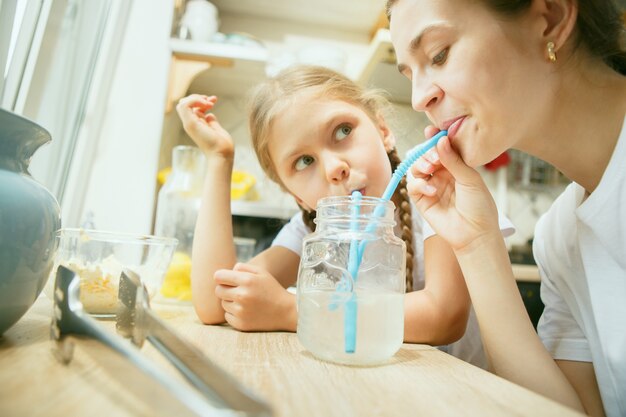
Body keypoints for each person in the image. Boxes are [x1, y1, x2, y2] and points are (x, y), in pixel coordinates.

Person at [176, 65, 514, 368]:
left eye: (342, 132)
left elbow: (443, 316)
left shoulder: (437, 195)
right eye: (304, 162)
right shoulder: (308, 232)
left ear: (383, 130)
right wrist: (220, 159)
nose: (334, 168)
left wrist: (293, 311)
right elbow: (215, 302)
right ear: (297, 196)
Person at [386, 0, 626, 415]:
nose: (420, 97)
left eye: (438, 55)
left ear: (550, 18)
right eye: (410, 74)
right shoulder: (559, 239)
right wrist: (477, 244)